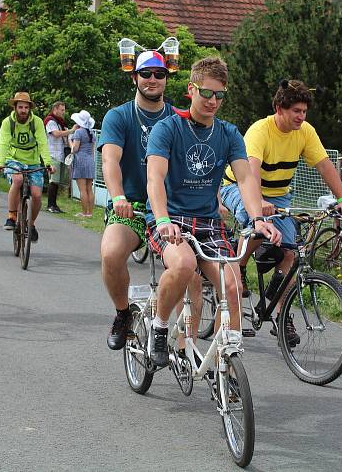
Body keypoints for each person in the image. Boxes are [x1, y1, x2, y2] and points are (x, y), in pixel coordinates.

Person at [146, 56, 281, 367]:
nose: (213, 101)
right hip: (171, 219)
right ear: (191, 90)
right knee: (183, 265)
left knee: (233, 287)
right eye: (206, 93)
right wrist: (163, 219)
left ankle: (227, 365)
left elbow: (245, 177)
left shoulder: (229, 133)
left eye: (220, 95)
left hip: (208, 222)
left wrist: (257, 218)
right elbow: (155, 177)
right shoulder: (168, 129)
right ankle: (160, 325)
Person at [219, 79, 342, 345]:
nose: (301, 117)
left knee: (292, 252)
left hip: (280, 194)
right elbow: (251, 171)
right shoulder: (261, 130)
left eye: (304, 112)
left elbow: (325, 165)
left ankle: (281, 315)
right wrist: (258, 202)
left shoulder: (305, 132)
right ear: (279, 109)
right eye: (296, 111)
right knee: (255, 222)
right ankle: (240, 266)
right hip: (239, 185)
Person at [98, 50, 185, 350]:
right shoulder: (118, 116)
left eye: (159, 74)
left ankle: (184, 345)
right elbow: (110, 160)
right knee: (110, 253)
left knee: (190, 273)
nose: (152, 79)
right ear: (134, 77)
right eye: (146, 74)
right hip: (132, 207)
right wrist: (117, 196)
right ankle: (123, 313)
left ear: (166, 78)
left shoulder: (178, 119)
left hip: (170, 210)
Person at [0, 92, 52, 243]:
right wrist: (0, 162)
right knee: (17, 179)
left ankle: (30, 224)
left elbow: (43, 142)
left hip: (33, 160)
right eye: (20, 107)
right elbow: (3, 142)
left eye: (26, 107)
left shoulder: (37, 122)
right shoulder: (8, 122)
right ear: (15, 107)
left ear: (30, 108)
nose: (23, 110)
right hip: (14, 159)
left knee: (37, 195)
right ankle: (12, 217)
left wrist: (47, 162)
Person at [43, 101, 74, 214]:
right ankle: (50, 205)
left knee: (57, 182)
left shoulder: (59, 122)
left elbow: (64, 133)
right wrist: (71, 131)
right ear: (55, 109)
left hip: (59, 154)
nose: (63, 112)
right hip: (52, 154)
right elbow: (56, 134)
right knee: (53, 180)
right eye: (62, 110)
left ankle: (54, 204)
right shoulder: (50, 121)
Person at [69, 109, 96, 218]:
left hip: (80, 160)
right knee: (89, 188)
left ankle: (84, 213)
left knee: (82, 189)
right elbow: (92, 150)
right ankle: (90, 212)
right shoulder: (92, 133)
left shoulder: (78, 132)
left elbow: (74, 149)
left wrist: (69, 141)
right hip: (90, 160)